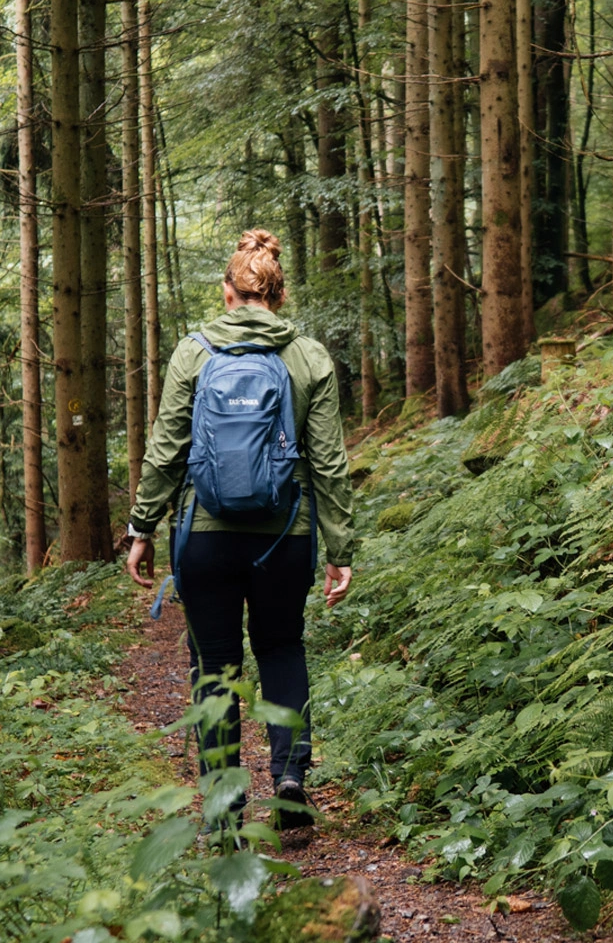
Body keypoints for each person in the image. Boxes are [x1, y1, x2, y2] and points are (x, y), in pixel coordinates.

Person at [125, 228, 355, 829]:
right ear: (278, 297)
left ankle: (225, 799)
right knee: (281, 647)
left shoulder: (194, 351)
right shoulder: (307, 357)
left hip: (206, 534)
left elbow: (166, 449)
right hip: (286, 534)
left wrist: (142, 526)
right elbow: (328, 462)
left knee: (214, 662)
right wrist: (340, 548)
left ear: (227, 292)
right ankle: (289, 776)